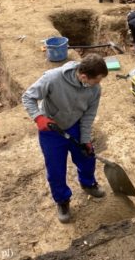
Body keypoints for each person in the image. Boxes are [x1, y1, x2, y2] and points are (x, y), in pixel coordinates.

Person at [21, 53, 109, 223]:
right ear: (83, 76)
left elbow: (89, 115)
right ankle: (62, 200)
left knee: (87, 157)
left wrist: (85, 139)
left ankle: (88, 183)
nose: (99, 84)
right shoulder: (52, 79)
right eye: (97, 80)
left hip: (75, 125)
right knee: (55, 169)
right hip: (51, 130)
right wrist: (38, 117)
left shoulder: (95, 90)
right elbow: (28, 97)